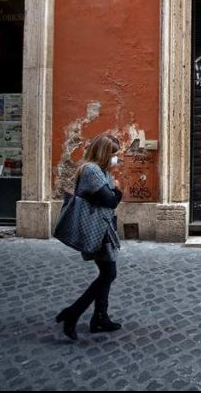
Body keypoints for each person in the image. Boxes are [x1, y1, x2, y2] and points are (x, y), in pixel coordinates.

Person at [56, 132, 123, 341]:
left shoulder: (102, 171)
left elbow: (110, 198)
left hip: (103, 228)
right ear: (104, 153)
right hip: (97, 229)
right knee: (108, 274)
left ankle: (100, 317)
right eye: (113, 153)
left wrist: (114, 194)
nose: (116, 158)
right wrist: (118, 193)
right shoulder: (92, 171)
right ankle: (73, 313)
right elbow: (110, 200)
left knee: (107, 273)